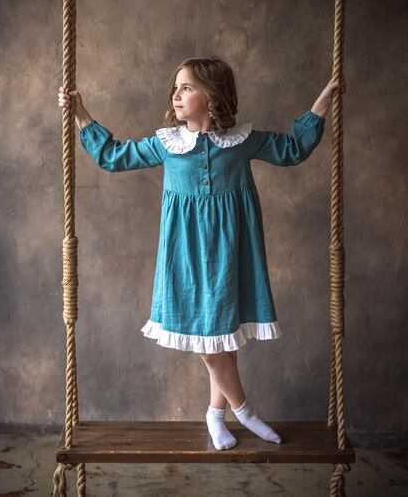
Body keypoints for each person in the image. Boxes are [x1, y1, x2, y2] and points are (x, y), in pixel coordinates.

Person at [58, 55, 346, 451]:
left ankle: (215, 415)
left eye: (186, 87)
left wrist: (323, 101)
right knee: (207, 344)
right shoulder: (167, 145)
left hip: (232, 252)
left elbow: (293, 148)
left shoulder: (242, 142)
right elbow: (112, 156)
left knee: (222, 341)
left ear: (212, 96)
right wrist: (80, 112)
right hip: (185, 256)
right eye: (175, 88)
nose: (175, 95)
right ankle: (244, 410)